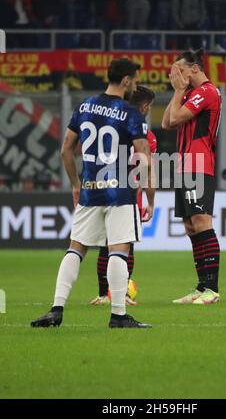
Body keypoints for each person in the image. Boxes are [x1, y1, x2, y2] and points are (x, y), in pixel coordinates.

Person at [31, 58, 155, 329]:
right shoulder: (131, 112)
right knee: (118, 251)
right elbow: (143, 157)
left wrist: (76, 184)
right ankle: (119, 315)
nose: (135, 85)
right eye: (134, 80)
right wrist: (150, 196)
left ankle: (56, 308)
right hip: (120, 193)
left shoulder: (84, 106)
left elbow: (66, 149)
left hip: (89, 190)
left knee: (75, 249)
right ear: (125, 80)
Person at [162, 49, 221, 305]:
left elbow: (175, 118)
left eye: (180, 70)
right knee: (190, 226)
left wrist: (177, 92)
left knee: (202, 222)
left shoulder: (207, 92)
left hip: (199, 163)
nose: (177, 75)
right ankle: (201, 286)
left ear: (194, 68)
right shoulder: (188, 93)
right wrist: (178, 91)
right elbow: (166, 123)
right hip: (184, 164)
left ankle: (212, 289)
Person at [90, 85, 157, 306]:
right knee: (125, 246)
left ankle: (102, 295)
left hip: (101, 190)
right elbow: (146, 171)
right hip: (128, 196)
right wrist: (150, 201)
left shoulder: (110, 123)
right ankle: (122, 295)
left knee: (104, 244)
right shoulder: (147, 135)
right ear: (145, 106)